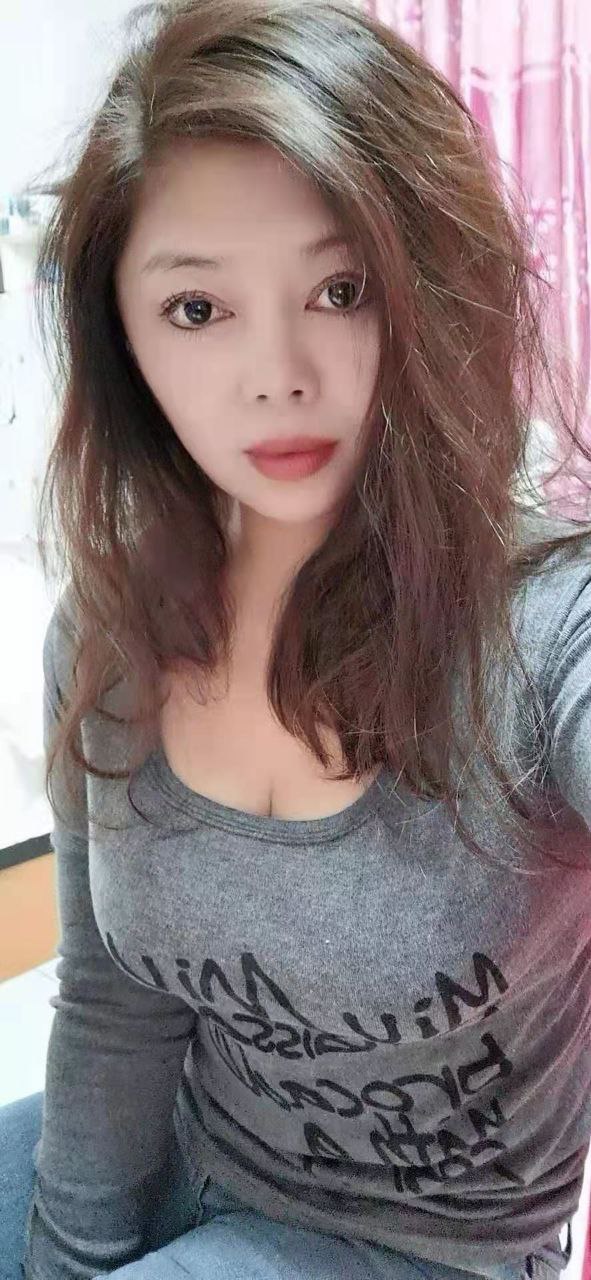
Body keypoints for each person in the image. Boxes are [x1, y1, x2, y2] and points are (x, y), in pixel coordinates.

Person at [2, 0, 590, 1276]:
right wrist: (66, 1255)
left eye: (339, 289)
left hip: (429, 1247)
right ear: (122, 335)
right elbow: (116, 1003)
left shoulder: (545, 630)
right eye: (197, 308)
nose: (277, 373)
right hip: (195, 1147)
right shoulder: (110, 632)